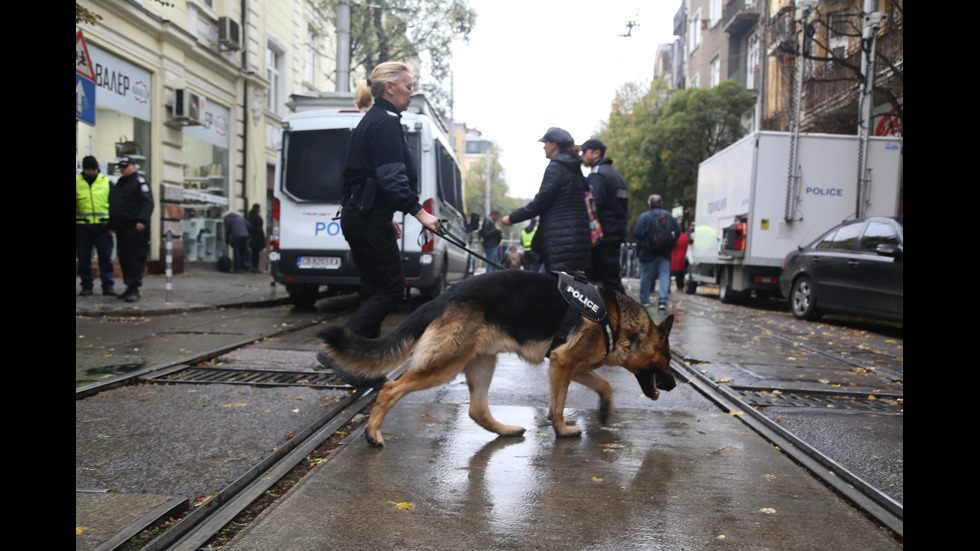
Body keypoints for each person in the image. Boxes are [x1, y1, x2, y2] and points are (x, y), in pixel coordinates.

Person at [332, 61, 440, 387]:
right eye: (408, 87)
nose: (412, 93)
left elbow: (368, 176)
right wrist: (419, 213)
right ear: (390, 88)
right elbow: (392, 176)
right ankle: (338, 348)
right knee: (391, 290)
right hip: (366, 218)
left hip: (362, 215)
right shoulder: (387, 122)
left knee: (375, 290)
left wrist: (387, 214)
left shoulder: (373, 119)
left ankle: (363, 367)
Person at [501, 127, 590, 274]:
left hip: (561, 239)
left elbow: (541, 201)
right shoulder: (574, 168)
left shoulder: (557, 166)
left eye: (545, 143)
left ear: (553, 144)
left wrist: (512, 217)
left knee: (555, 288)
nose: (543, 147)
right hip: (577, 238)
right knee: (568, 287)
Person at [581, 138, 629, 293]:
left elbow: (591, 207)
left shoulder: (598, 175)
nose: (582, 156)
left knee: (605, 281)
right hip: (615, 233)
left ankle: (627, 315)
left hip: (602, 237)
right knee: (610, 279)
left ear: (596, 153)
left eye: (584, 152)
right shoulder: (616, 175)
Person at [109, 156, 154, 302]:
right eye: (121, 167)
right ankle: (129, 287)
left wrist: (142, 220)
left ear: (133, 166)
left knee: (135, 258)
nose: (123, 169)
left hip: (136, 228)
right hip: (122, 228)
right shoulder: (120, 183)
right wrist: (112, 225)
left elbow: (148, 203)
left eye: (126, 166)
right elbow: (115, 205)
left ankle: (134, 288)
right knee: (124, 258)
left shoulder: (139, 183)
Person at [76, 156, 116, 297]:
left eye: (94, 169)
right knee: (84, 258)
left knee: (105, 257)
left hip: (103, 227)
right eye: (89, 169)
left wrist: (113, 225)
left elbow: (114, 205)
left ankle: (108, 286)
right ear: (84, 169)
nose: (92, 172)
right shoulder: (77, 182)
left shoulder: (106, 182)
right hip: (82, 228)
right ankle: (86, 286)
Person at [634, 194, 681, 310]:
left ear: (650, 204)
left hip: (649, 252)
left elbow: (638, 232)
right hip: (665, 252)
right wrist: (670, 243)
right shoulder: (669, 216)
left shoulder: (645, 217)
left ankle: (645, 300)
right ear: (661, 203)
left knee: (646, 275)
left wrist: (646, 243)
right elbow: (678, 231)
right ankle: (663, 301)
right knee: (665, 275)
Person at [247, 203, 266, 272]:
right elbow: (257, 227)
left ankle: (254, 267)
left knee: (254, 253)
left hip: (254, 236)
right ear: (257, 209)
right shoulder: (256, 217)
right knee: (256, 253)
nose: (260, 210)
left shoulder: (251, 216)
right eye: (259, 208)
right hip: (257, 237)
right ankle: (255, 267)